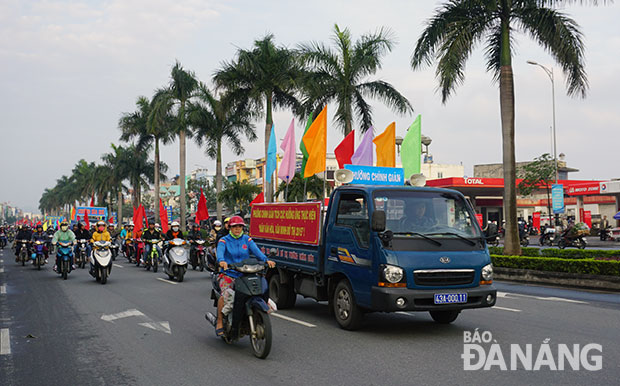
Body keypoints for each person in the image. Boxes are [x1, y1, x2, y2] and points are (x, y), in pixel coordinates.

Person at [215, 216, 275, 336]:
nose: (237, 229)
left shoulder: (247, 240)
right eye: (234, 227)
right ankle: (220, 321)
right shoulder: (224, 241)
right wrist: (222, 261)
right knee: (226, 295)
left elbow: (257, 252)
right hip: (229, 274)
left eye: (240, 226)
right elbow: (220, 253)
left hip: (245, 273)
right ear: (230, 228)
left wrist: (266, 260)